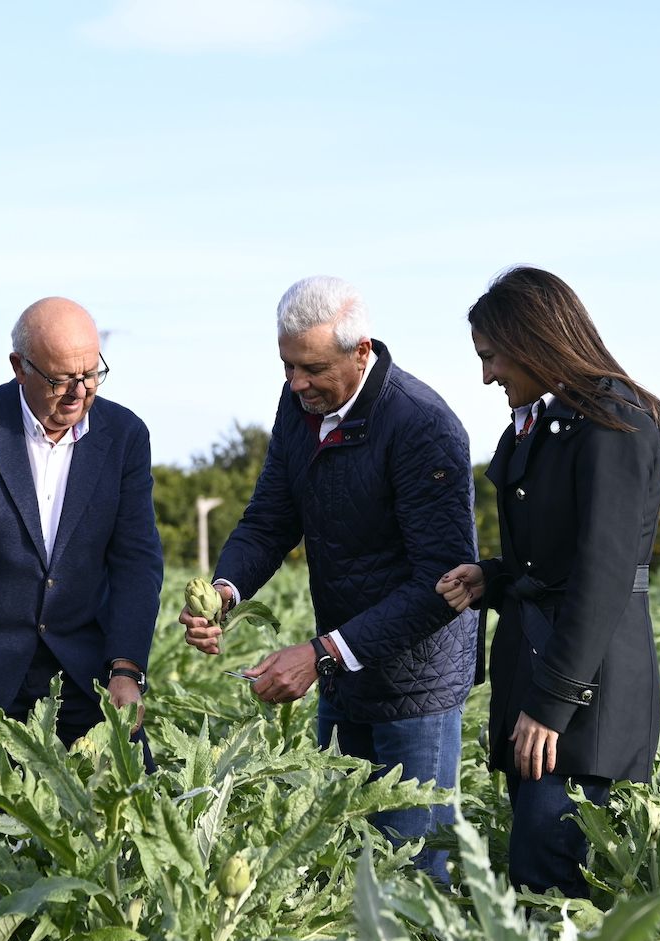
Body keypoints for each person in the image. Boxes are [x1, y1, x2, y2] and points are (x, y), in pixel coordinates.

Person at [181, 275, 477, 883]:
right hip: (345, 675)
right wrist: (224, 593)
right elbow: (269, 520)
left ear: (361, 349)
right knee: (344, 865)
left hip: (413, 688)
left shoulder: (423, 426)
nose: (296, 383)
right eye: (287, 366)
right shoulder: (298, 408)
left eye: (312, 368)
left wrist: (320, 655)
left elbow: (441, 586)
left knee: (412, 878)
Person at [436, 265, 660, 897]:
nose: (487, 375)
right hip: (544, 679)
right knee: (537, 878)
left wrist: (552, 705)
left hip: (583, 697)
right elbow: (553, 559)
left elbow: (603, 577)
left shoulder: (611, 424)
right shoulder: (551, 423)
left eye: (491, 357)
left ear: (533, 342)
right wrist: (490, 579)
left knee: (551, 889)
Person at [0, 297, 162, 761]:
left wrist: (128, 667)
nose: (78, 393)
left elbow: (136, 561)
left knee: (124, 812)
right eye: (61, 380)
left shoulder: (125, 436)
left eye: (90, 375)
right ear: (19, 367)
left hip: (88, 671)